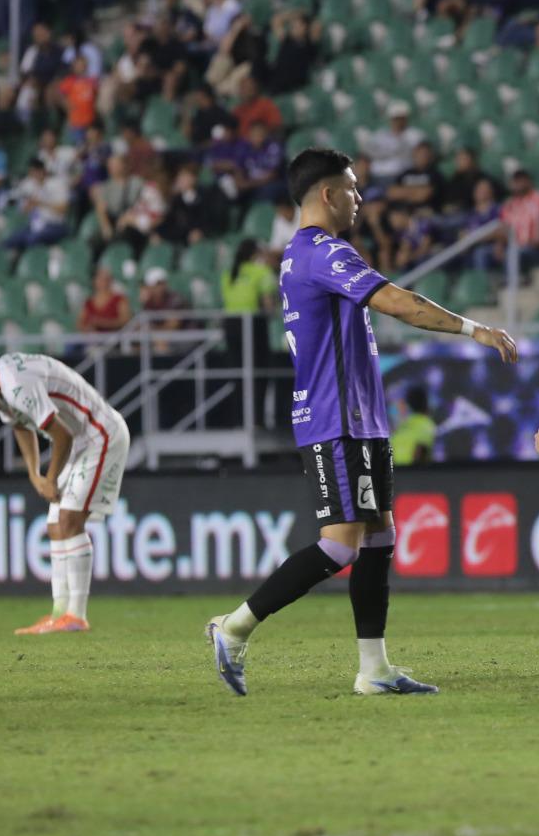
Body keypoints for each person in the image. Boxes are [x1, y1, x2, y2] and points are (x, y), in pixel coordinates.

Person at [205, 147, 519, 698]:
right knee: (341, 545)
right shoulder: (320, 250)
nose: (359, 197)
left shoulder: (307, 252)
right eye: (351, 188)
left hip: (361, 419)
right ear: (327, 194)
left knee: (378, 537)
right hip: (335, 418)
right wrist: (475, 329)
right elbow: (397, 302)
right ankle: (233, 628)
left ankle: (373, 670)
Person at [0, 352, 132, 635]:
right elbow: (19, 425)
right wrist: (34, 474)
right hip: (81, 441)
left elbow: (61, 436)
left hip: (101, 435)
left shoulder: (17, 387)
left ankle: (76, 616)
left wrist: (50, 478)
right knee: (55, 526)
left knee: (69, 521)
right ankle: (59, 615)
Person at [390, 384, 437, 466]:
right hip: (412, 475)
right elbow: (420, 454)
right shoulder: (427, 424)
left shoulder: (400, 427)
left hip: (398, 474)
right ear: (426, 403)